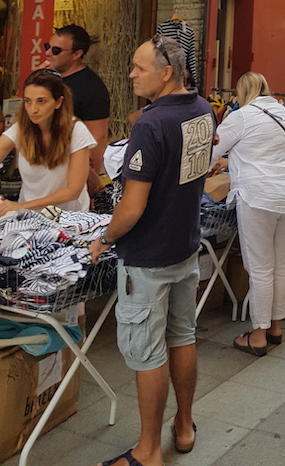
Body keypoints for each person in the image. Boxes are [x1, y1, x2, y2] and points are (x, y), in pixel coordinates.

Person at [89, 36, 215, 466]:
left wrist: (104, 238)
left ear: (166, 73)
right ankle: (183, 426)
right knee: (182, 337)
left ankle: (147, 451)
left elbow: (132, 206)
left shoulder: (150, 124)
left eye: (138, 67)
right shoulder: (203, 109)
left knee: (148, 354)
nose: (130, 74)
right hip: (185, 246)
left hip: (148, 256)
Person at [210, 72, 285, 355]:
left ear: (241, 92)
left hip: (259, 195)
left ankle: (259, 334)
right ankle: (275, 326)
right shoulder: (281, 111)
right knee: (280, 265)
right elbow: (265, 148)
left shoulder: (240, 116)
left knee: (261, 268)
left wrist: (217, 162)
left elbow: (212, 149)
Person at [0, 68, 95, 216]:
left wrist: (22, 205)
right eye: (27, 101)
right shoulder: (21, 128)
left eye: (41, 101)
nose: (33, 109)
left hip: (67, 219)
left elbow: (73, 191)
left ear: (58, 102)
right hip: (27, 218)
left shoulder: (76, 130)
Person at [45, 25, 110, 182]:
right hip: (45, 167)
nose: (47, 53)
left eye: (56, 50)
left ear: (77, 54)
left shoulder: (91, 87)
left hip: (69, 172)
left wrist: (87, 179)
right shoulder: (49, 78)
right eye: (47, 47)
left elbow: (97, 137)